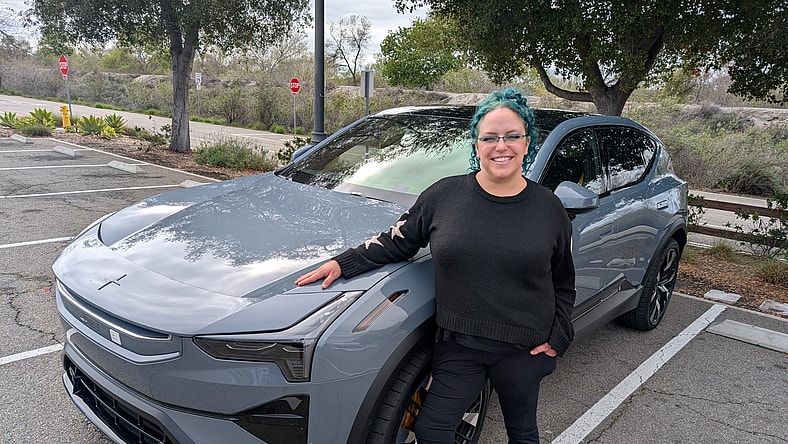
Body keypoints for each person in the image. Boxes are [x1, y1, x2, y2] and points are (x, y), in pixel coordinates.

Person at [295, 88, 576, 444]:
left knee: (522, 434)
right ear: (476, 144)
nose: (501, 146)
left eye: (512, 136)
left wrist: (559, 336)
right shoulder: (444, 196)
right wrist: (343, 263)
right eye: (490, 137)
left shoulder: (548, 209)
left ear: (527, 142)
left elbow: (563, 281)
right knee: (431, 430)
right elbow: (398, 240)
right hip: (460, 347)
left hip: (523, 351)